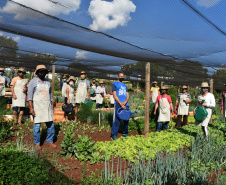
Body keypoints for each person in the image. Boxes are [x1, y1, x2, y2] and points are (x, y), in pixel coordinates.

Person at [28, 65, 56, 150]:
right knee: (37, 126)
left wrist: (52, 105)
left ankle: (50, 140)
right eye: (40, 71)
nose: (42, 73)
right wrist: (31, 108)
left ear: (45, 73)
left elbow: (50, 95)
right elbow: (29, 97)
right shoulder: (33, 81)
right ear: (37, 73)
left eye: (43, 71)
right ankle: (37, 143)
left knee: (50, 125)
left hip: (47, 106)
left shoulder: (47, 81)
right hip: (37, 107)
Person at [111, 72, 130, 140]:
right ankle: (114, 135)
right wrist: (121, 103)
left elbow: (128, 95)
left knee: (126, 118)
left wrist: (125, 102)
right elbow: (114, 95)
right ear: (117, 76)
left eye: (123, 76)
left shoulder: (125, 85)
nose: (122, 77)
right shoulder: (114, 84)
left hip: (126, 104)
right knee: (116, 119)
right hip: (118, 104)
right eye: (121, 76)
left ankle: (125, 133)